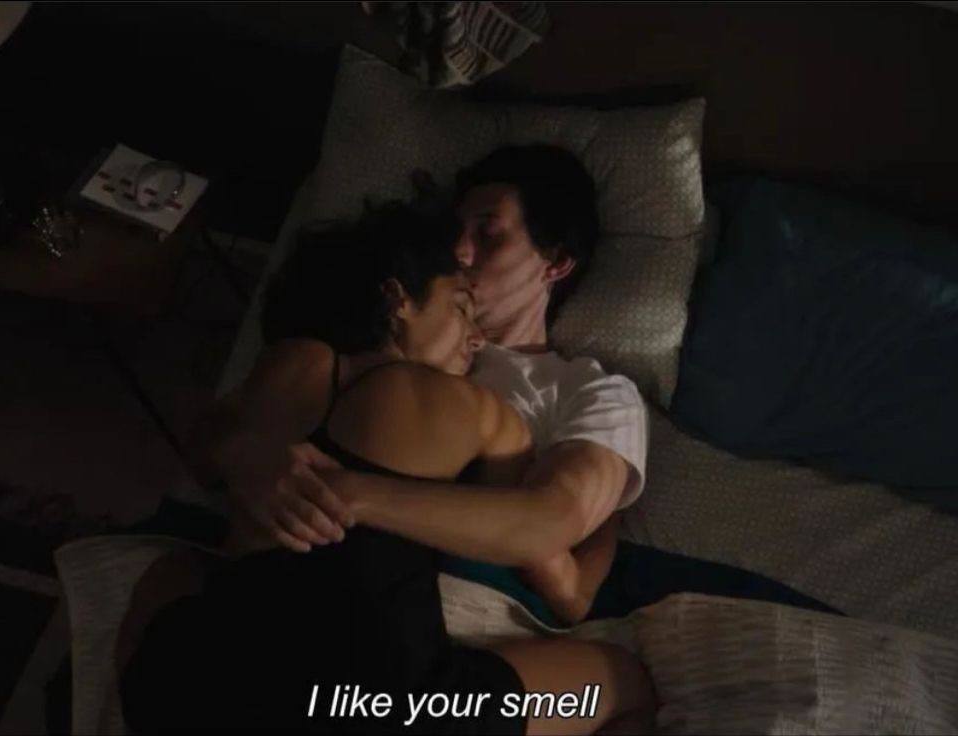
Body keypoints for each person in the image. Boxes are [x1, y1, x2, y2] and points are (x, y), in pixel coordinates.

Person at [121, 201, 654, 734]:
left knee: (170, 573)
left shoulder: (292, 363)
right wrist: (609, 520)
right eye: (461, 307)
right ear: (397, 299)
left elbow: (203, 454)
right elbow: (555, 565)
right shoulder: (469, 408)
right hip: (376, 704)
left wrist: (243, 455)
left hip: (205, 681)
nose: (477, 336)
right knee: (623, 685)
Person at [198, 145, 649, 626]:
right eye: (456, 233)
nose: (460, 251)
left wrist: (348, 493)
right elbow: (223, 426)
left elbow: (558, 539)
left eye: (488, 233)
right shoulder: (382, 327)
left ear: (555, 262)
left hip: (450, 603)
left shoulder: (592, 392)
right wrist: (245, 454)